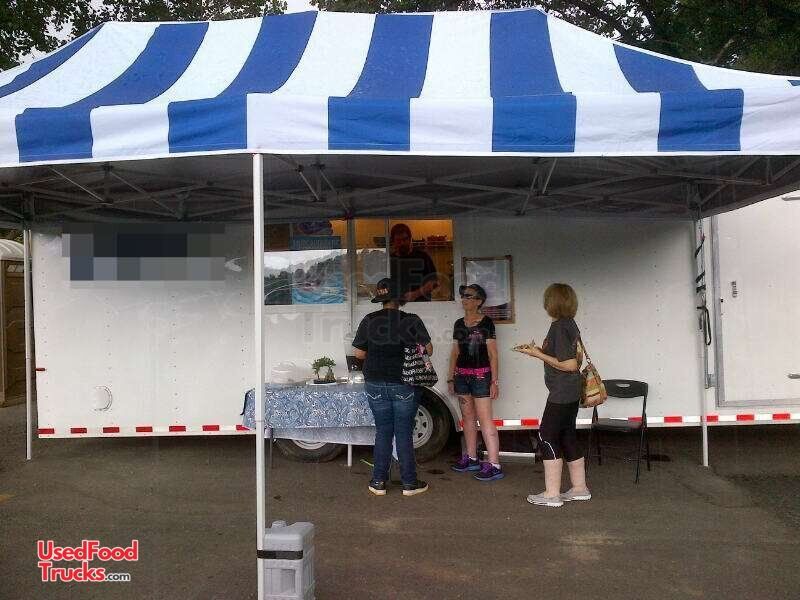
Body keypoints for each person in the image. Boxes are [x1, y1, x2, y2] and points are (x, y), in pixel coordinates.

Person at [352, 277, 432, 497]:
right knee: (404, 432)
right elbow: (428, 350)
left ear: (381, 298)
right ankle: (409, 483)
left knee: (383, 431)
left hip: (375, 382)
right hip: (404, 383)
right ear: (400, 299)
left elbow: (359, 353)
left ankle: (378, 482)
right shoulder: (411, 320)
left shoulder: (369, 319)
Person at [514, 283, 591, 508]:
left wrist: (538, 355)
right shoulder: (569, 324)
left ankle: (551, 494)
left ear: (552, 302)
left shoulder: (559, 327)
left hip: (562, 391)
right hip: (571, 390)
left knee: (546, 436)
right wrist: (538, 351)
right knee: (567, 436)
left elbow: (568, 364)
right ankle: (579, 488)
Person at [448, 284, 504, 481]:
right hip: (462, 376)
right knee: (468, 418)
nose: (464, 299)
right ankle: (471, 458)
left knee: (485, 419)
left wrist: (494, 381)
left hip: (482, 376)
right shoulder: (458, 324)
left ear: (479, 301)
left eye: (469, 296)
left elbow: (493, 354)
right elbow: (455, 352)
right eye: (463, 296)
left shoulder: (487, 323)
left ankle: (494, 463)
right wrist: (450, 377)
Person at [389, 223, 438, 302]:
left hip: (421, 305)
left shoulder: (423, 257)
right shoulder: (389, 260)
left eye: (405, 239)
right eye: (398, 240)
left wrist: (415, 294)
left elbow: (434, 282)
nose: (402, 243)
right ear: (393, 241)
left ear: (410, 239)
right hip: (396, 306)